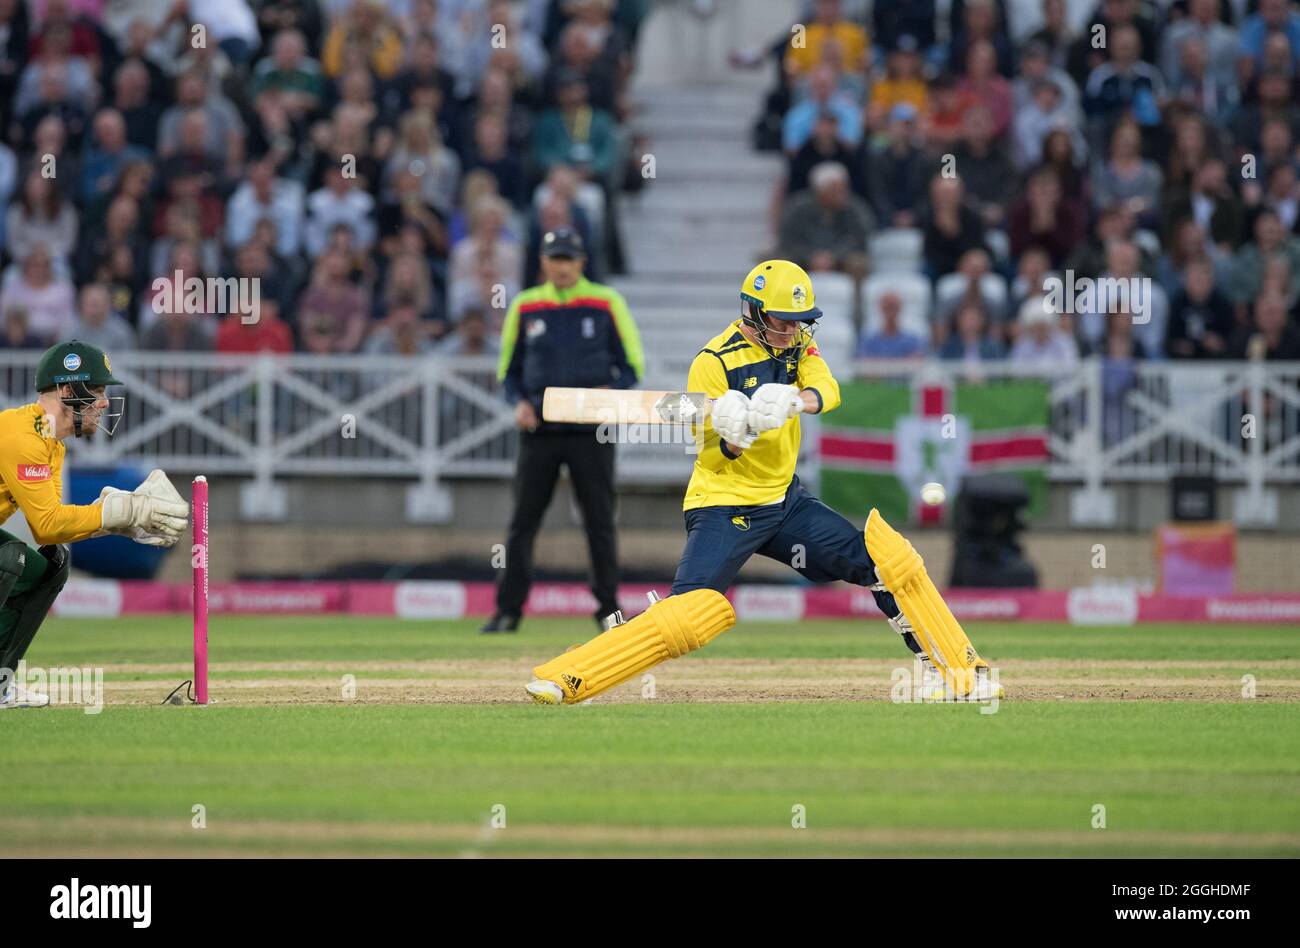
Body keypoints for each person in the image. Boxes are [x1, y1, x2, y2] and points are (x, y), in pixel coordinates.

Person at [524, 260, 1004, 706]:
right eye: (782, 320)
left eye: (800, 320)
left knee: (885, 563)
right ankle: (570, 674)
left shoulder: (798, 348)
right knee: (691, 613)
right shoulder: (712, 362)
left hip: (786, 502)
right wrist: (736, 433)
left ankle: (952, 671)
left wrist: (798, 402)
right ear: (753, 314)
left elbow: (828, 388)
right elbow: (713, 452)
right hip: (722, 502)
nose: (793, 329)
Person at [0, 340, 190, 709]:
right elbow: (49, 523)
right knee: (9, 557)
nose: (104, 402)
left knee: (50, 566)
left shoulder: (50, 442)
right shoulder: (23, 436)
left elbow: (49, 530)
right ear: (67, 390)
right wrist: (116, 512)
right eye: (98, 391)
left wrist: (114, 521)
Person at [482, 228, 645, 634]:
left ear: (581, 262)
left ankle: (609, 611)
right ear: (544, 262)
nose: (562, 266)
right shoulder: (525, 305)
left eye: (569, 258)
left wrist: (614, 391)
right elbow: (508, 372)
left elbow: (632, 366)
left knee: (599, 521)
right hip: (540, 430)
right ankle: (508, 610)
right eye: (555, 258)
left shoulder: (607, 302)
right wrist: (518, 403)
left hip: (592, 429)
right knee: (523, 521)